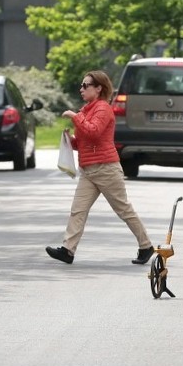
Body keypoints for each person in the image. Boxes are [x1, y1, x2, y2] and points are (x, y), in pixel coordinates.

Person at [46, 71, 155, 265]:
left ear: (99, 88)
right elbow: (84, 142)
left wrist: (74, 117)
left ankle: (146, 245)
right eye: (82, 85)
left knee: (123, 210)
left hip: (106, 169)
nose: (81, 88)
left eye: (85, 85)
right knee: (78, 210)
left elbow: (94, 132)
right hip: (88, 171)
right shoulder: (87, 109)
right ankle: (67, 250)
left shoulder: (103, 108)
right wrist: (70, 140)